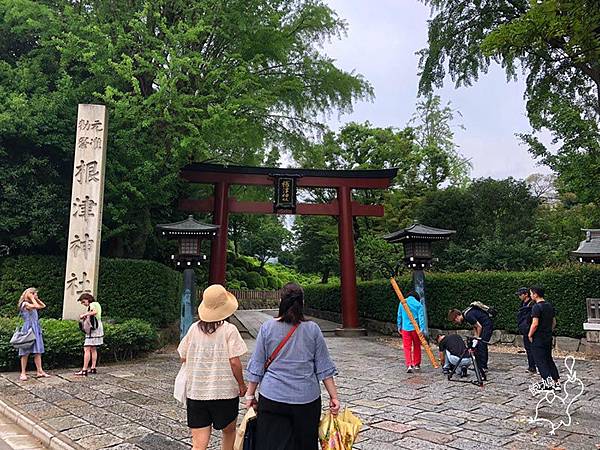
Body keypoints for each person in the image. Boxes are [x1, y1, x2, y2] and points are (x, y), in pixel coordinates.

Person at [244, 283, 340, 450]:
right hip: (306, 398)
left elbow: (258, 364)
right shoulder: (313, 329)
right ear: (302, 303)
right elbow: (323, 367)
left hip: (272, 396)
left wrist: (250, 395)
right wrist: (334, 397)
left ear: (281, 301)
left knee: (270, 444)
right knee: (304, 444)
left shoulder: (267, 327)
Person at [178, 284, 247, 450]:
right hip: (224, 393)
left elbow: (183, 356)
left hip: (196, 393)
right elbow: (234, 361)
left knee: (199, 444)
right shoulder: (230, 330)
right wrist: (241, 384)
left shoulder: (193, 329)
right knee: (229, 433)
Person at [528, 286, 560, 391]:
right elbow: (553, 321)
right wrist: (549, 330)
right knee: (548, 359)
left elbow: (535, 323)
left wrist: (530, 334)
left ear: (536, 294)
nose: (530, 295)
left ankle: (547, 382)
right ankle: (557, 382)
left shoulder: (536, 307)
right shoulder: (549, 306)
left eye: (531, 293)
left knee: (540, 360)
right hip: (547, 336)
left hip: (538, 337)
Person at [448, 304, 493, 372]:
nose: (456, 323)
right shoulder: (466, 315)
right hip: (483, 326)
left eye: (455, 321)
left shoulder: (468, 315)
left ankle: (483, 367)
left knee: (481, 345)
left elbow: (479, 327)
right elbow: (475, 326)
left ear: (457, 317)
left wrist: (477, 338)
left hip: (487, 326)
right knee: (477, 345)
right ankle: (478, 366)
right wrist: (475, 337)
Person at [17, 288, 50, 381]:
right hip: (28, 328)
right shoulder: (25, 304)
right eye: (31, 293)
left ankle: (40, 371)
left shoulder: (32, 302)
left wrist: (36, 298)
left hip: (36, 328)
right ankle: (23, 372)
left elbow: (43, 306)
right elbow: (36, 306)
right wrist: (32, 298)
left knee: (38, 351)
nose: (33, 294)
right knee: (25, 351)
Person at [74, 293, 104, 376]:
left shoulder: (92, 304)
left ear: (88, 299)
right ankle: (93, 367)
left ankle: (84, 369)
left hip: (92, 329)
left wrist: (85, 314)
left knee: (86, 348)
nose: (84, 304)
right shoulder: (97, 304)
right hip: (97, 327)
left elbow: (95, 312)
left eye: (83, 302)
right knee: (93, 349)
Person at [397, 290, 426, 373]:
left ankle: (409, 365)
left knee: (407, 347)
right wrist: (422, 329)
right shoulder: (418, 304)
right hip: (416, 329)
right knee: (417, 346)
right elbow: (421, 318)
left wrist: (399, 326)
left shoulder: (402, 302)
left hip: (405, 328)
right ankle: (416, 364)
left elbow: (399, 315)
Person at [516, 287, 536, 374]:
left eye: (520, 294)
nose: (519, 296)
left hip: (530, 328)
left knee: (532, 348)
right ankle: (532, 365)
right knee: (528, 348)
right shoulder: (523, 304)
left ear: (526, 294)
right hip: (525, 328)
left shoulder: (532, 304)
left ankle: (533, 366)